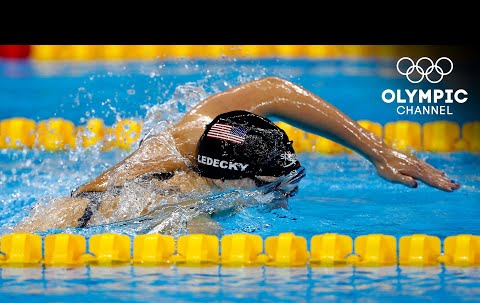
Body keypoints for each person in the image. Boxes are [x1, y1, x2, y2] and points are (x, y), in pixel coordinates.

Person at [14, 76, 459, 233]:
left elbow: (274, 90)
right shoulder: (180, 199)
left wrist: (378, 152)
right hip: (71, 217)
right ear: (232, 179)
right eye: (272, 185)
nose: (287, 192)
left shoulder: (204, 128)